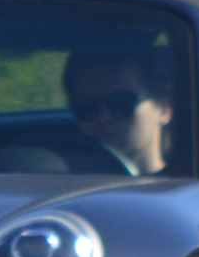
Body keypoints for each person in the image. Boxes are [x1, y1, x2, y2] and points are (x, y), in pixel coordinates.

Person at [62, 39, 177, 175]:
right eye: (87, 107)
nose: (103, 118)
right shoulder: (60, 182)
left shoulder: (186, 186)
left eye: (121, 104)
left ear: (164, 108)